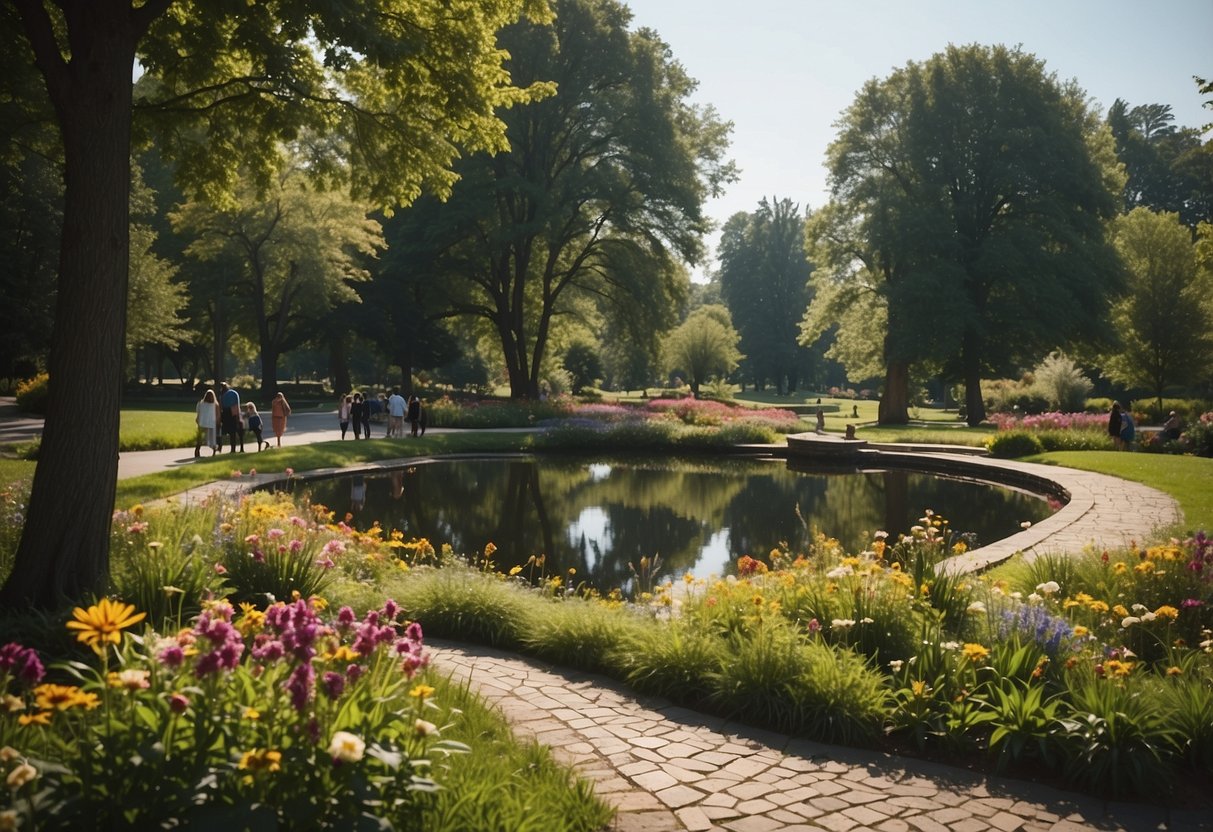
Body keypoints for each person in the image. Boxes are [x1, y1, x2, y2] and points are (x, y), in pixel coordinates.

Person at [219, 382, 245, 453]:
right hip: (234, 412)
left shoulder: (222, 395)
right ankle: (240, 448)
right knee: (237, 431)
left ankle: (231, 448)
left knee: (229, 432)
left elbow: (221, 406)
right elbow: (236, 405)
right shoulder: (233, 393)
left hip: (225, 414)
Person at [194, 389, 220, 458]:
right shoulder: (215, 405)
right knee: (211, 438)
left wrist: (197, 420)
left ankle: (197, 451)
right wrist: (217, 422)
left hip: (202, 423)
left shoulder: (201, 404)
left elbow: (198, 412)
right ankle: (214, 451)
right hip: (211, 423)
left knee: (200, 438)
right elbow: (218, 415)